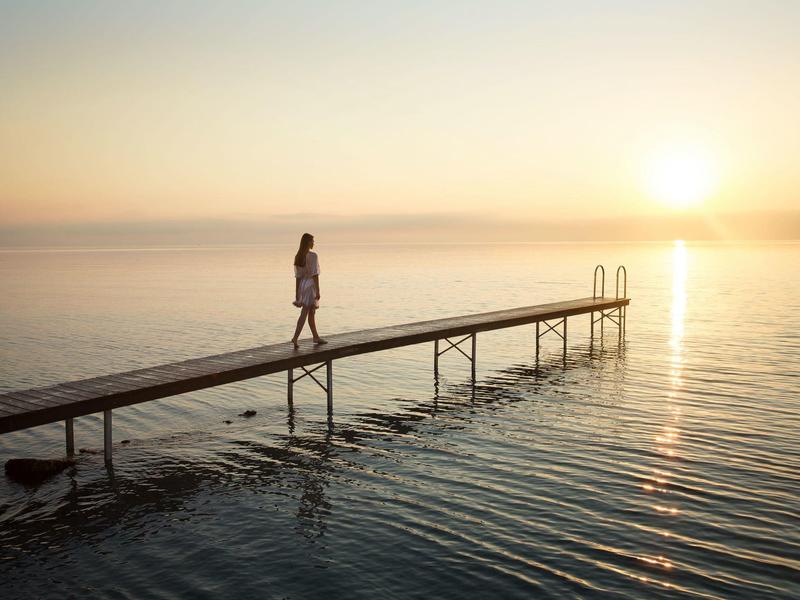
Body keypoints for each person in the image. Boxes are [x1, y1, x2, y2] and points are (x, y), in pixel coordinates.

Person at [291, 233, 326, 348]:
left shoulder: (298, 256)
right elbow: (315, 274)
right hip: (310, 285)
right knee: (306, 312)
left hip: (303, 285)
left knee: (311, 312)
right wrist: (318, 290)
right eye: (312, 241)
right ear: (307, 242)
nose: (313, 243)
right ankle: (295, 337)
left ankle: (315, 336)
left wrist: (297, 293)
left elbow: (298, 277)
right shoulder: (313, 256)